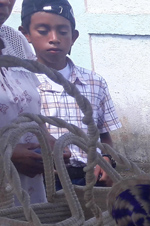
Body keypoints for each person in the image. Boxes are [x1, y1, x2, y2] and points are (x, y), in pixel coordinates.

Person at [20, 0, 119, 187]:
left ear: (74, 37)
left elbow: (104, 135)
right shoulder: (20, 83)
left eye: (63, 32)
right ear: (26, 34)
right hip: (42, 181)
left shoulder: (95, 82)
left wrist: (107, 159)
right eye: (43, 31)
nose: (54, 38)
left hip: (91, 179)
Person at [0, 0, 46, 205]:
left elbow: (29, 102)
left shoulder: (15, 40)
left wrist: (47, 142)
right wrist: (5, 154)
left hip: (27, 190)